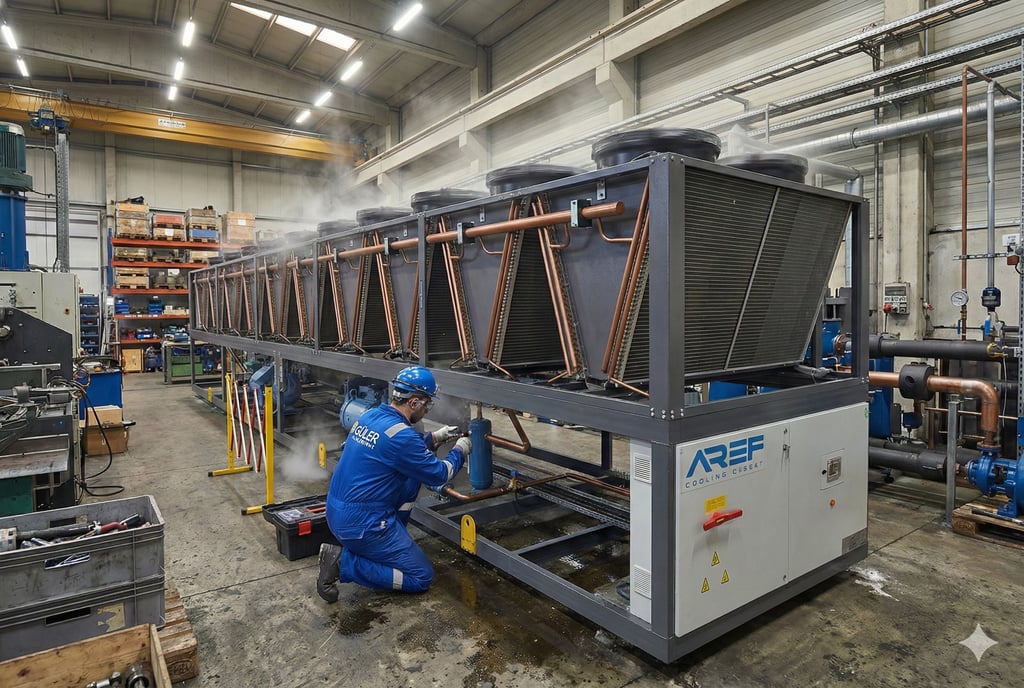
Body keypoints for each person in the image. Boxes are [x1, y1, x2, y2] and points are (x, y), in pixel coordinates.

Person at [317, 365, 471, 602]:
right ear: (414, 402)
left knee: (412, 475)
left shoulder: (370, 416)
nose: (427, 409)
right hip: (361, 525)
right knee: (420, 576)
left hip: (338, 511)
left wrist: (434, 438)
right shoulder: (402, 437)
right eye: (427, 404)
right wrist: (460, 449)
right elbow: (440, 474)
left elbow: (396, 451)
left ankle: (390, 540)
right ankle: (341, 563)